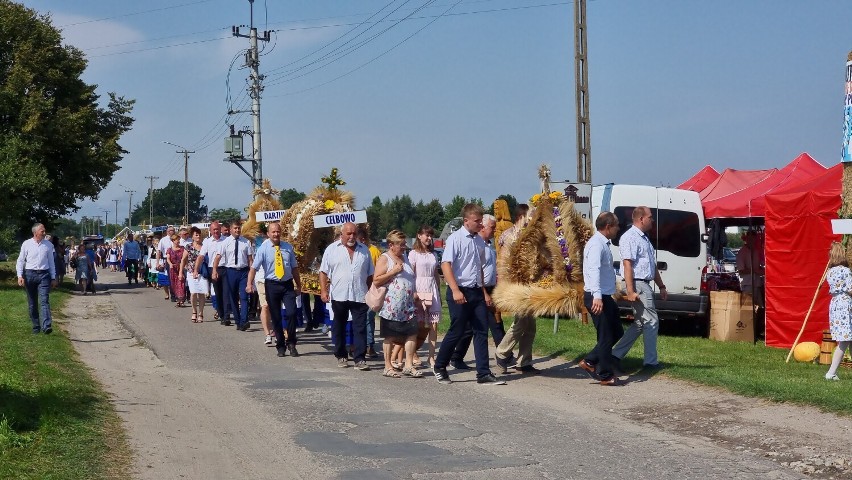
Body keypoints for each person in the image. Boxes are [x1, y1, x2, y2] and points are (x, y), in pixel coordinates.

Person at [433, 204, 504, 385]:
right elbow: (446, 264)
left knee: (481, 330)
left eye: (481, 220)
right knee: (457, 331)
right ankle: (440, 366)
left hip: (475, 291)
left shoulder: (479, 241)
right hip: (460, 290)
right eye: (477, 221)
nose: (480, 224)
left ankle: (483, 373)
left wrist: (483, 292)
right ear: (466, 221)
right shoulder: (455, 239)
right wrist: (455, 289)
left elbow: (478, 267)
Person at [611, 206, 667, 370]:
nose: (652, 220)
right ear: (641, 219)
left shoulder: (645, 239)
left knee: (640, 323)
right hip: (638, 283)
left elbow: (652, 266)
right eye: (650, 217)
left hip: (643, 282)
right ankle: (650, 362)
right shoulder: (630, 237)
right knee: (651, 321)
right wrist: (630, 290)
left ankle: (615, 355)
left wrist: (661, 286)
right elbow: (627, 264)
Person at [450, 214, 508, 370]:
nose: (494, 231)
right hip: (478, 289)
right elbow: (477, 270)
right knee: (475, 326)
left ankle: (503, 356)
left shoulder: (489, 246)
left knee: (493, 323)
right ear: (483, 227)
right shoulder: (476, 244)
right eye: (492, 227)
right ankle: (457, 357)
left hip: (490, 287)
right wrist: (484, 293)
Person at [319, 222, 374, 370]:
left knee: (360, 327)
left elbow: (370, 274)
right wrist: (323, 291)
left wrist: (369, 292)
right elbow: (323, 272)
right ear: (341, 234)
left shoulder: (364, 250)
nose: (352, 236)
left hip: (359, 294)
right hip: (339, 295)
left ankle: (360, 358)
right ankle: (341, 355)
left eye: (354, 233)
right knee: (339, 326)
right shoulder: (331, 250)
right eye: (348, 233)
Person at [578, 212, 623, 386]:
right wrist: (597, 296)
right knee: (605, 336)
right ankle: (605, 374)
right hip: (596, 295)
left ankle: (590, 361)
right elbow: (593, 270)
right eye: (616, 225)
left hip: (604, 294)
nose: (618, 229)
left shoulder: (603, 244)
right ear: (608, 226)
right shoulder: (596, 244)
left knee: (617, 331)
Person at [248, 222, 302, 357]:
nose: (276, 234)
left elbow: (294, 268)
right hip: (272, 285)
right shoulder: (263, 249)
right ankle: (281, 345)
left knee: (291, 313)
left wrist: (298, 285)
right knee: (276, 316)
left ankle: (291, 343)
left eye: (278, 231)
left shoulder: (288, 247)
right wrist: (249, 284)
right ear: (268, 234)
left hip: (287, 284)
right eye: (273, 232)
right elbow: (254, 268)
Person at [373, 230, 421, 378]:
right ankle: (387, 366)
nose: (404, 247)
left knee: (412, 334)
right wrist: (393, 271)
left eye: (404, 244)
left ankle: (408, 365)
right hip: (391, 306)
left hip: (408, 305)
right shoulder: (385, 258)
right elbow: (376, 280)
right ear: (391, 245)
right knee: (390, 336)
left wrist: (414, 292)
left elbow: (409, 277)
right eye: (401, 245)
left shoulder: (405, 257)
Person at [494, 204, 534, 372]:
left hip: (528, 284)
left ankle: (524, 361)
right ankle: (502, 352)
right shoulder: (509, 235)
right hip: (515, 284)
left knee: (530, 326)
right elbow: (503, 262)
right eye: (528, 218)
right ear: (520, 218)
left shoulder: (530, 236)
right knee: (521, 321)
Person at [408, 225, 442, 368]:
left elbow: (435, 273)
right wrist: (413, 292)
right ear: (419, 236)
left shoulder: (433, 254)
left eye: (430, 235)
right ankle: (413, 352)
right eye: (426, 235)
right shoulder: (413, 254)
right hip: (418, 286)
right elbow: (411, 274)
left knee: (433, 324)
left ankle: (431, 357)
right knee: (419, 324)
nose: (429, 238)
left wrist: (438, 290)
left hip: (431, 287)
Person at [213, 220, 255, 331]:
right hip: (230, 271)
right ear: (231, 230)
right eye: (235, 228)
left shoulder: (246, 242)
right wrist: (214, 270)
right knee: (233, 297)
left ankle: (244, 320)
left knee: (244, 297)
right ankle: (238, 321)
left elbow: (250, 259)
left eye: (238, 228)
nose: (237, 230)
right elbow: (217, 257)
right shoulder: (225, 242)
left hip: (243, 272)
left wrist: (252, 273)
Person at [16, 223, 57, 334]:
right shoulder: (27, 244)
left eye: (44, 231)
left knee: (44, 300)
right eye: (42, 231)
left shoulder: (48, 245)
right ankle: (36, 326)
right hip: (30, 275)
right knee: (32, 302)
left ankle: (46, 326)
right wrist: (20, 276)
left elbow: (51, 262)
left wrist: (53, 277)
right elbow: (20, 261)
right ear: (35, 232)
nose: (44, 233)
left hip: (44, 275)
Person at [825, 242, 852, 381]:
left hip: (835, 304)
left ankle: (832, 372)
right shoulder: (845, 271)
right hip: (845, 304)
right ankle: (831, 372)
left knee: (849, 338)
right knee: (845, 340)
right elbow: (850, 289)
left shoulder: (830, 272)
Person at [357, 225, 381, 359]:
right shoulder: (358, 250)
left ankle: (369, 345)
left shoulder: (373, 251)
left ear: (364, 239)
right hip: (361, 289)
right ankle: (365, 344)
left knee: (368, 317)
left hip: (372, 289)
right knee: (366, 319)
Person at [199, 221, 227, 323]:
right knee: (218, 292)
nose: (216, 231)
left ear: (220, 230)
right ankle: (222, 314)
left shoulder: (226, 240)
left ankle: (226, 314)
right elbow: (201, 255)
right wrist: (195, 269)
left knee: (226, 292)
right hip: (213, 269)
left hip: (225, 268)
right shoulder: (207, 242)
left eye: (217, 229)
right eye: (214, 229)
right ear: (210, 231)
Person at [180, 226, 209, 323]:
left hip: (202, 272)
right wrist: (180, 272)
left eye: (199, 235)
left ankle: (201, 313)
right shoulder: (188, 247)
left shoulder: (204, 246)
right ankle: (194, 311)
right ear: (192, 236)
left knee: (201, 293)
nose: (198, 236)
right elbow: (183, 260)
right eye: (196, 235)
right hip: (191, 272)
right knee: (193, 292)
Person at [166, 234, 186, 307]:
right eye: (177, 240)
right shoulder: (170, 249)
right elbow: (168, 258)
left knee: (181, 283)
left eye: (179, 239)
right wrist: (170, 264)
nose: (178, 241)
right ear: (173, 241)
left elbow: (185, 258)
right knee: (174, 284)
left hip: (181, 267)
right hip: (173, 268)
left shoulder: (183, 248)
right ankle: (178, 299)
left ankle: (182, 299)